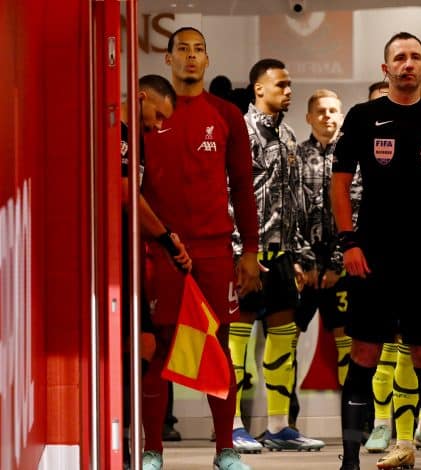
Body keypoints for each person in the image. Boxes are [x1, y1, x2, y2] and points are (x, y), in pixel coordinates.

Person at [331, 32, 421, 470]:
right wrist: (349, 241)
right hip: (372, 255)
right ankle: (352, 459)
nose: (408, 64)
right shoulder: (363, 116)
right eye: (400, 58)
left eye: (415, 57)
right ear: (386, 68)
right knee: (364, 355)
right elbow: (338, 184)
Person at [141, 27, 261, 470]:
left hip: (214, 250)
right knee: (157, 346)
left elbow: (244, 188)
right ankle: (152, 449)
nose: (191, 57)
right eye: (182, 50)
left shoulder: (227, 115)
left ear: (207, 61)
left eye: (199, 50)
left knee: (218, 347)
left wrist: (250, 249)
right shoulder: (149, 113)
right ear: (167, 59)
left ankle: (225, 450)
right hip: (160, 250)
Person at [230, 58, 325, 452]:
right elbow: (228, 193)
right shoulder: (240, 132)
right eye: (281, 85)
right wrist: (241, 252)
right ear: (259, 89)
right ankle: (232, 426)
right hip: (248, 254)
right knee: (237, 347)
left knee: (283, 342)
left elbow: (294, 202)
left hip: (283, 253)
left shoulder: (287, 136)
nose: (288, 91)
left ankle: (278, 426)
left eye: (290, 85)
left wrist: (301, 256)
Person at [119, 74, 185, 470]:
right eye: (158, 114)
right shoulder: (121, 133)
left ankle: (131, 443)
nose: (158, 125)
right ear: (140, 97)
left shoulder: (137, 138)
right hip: (112, 260)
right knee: (135, 349)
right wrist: (166, 237)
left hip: (130, 255)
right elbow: (126, 195)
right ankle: (124, 444)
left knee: (143, 348)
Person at [296, 89, 354, 388]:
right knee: (285, 341)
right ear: (308, 117)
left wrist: (336, 263)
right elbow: (287, 211)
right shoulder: (294, 157)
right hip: (303, 267)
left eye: (333, 111)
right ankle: (284, 423)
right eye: (320, 111)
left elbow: (357, 211)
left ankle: (356, 424)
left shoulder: (353, 157)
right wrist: (305, 262)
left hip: (342, 263)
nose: (327, 116)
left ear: (342, 116)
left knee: (348, 342)